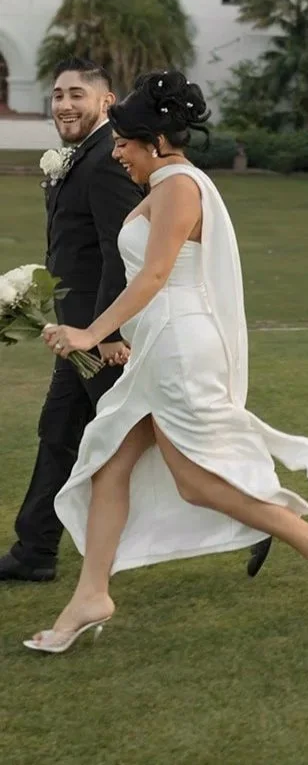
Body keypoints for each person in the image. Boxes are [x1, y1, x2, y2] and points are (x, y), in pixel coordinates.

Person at [24, 70, 308, 654]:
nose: (118, 153)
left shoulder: (180, 188)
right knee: (107, 463)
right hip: (158, 345)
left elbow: (155, 276)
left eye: (124, 143)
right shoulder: (164, 187)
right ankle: (91, 595)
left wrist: (91, 334)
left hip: (180, 347)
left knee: (196, 482)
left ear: (154, 140)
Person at [0, 60, 141, 584]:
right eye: (57, 95)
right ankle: (35, 550)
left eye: (76, 94)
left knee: (158, 440)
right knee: (58, 433)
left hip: (102, 338)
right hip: (79, 334)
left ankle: (261, 514)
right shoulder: (78, 158)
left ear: (105, 101)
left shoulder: (108, 158)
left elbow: (119, 253)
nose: (63, 104)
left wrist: (109, 334)